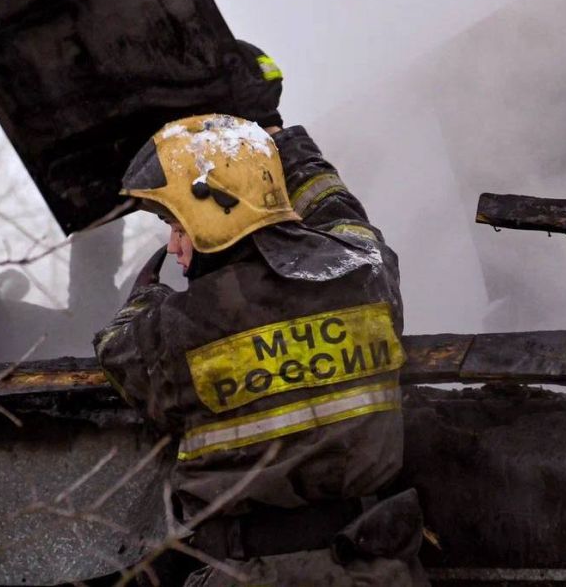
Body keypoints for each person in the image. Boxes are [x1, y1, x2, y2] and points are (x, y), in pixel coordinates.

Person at [94, 43, 427, 586]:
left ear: (210, 216)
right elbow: (339, 213)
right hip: (377, 570)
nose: (174, 247)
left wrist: (145, 294)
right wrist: (277, 136)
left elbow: (118, 348)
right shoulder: (364, 275)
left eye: (176, 227)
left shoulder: (178, 330)